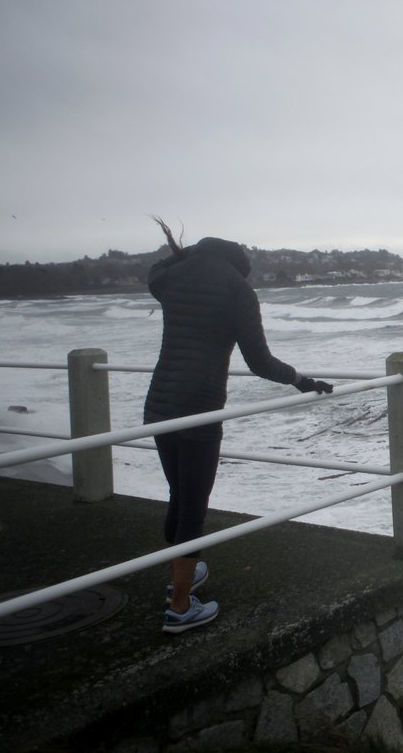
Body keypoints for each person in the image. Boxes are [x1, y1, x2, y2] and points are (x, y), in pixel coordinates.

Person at [144, 219, 332, 634]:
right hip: (200, 409)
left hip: (159, 404)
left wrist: (188, 253)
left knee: (178, 493)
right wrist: (301, 380)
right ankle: (179, 606)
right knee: (193, 504)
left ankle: (184, 574)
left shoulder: (173, 277)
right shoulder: (238, 291)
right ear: (240, 265)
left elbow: (153, 272)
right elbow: (259, 362)